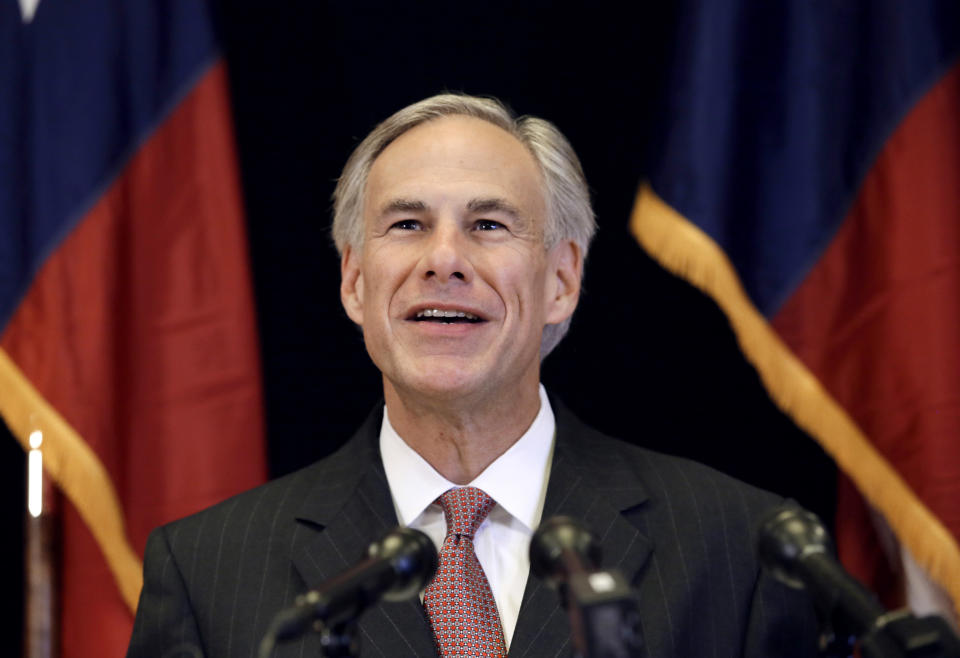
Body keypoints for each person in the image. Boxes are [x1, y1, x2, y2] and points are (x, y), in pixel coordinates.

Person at [127, 94, 818, 657]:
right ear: (355, 282)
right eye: (406, 224)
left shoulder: (739, 549)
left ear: (562, 280)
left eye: (488, 224)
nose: (444, 260)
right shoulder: (208, 572)